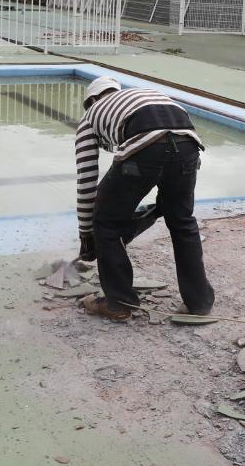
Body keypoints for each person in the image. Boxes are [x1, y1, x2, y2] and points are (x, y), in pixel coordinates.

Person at [74, 76, 214, 322]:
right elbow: (173, 142)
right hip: (189, 146)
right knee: (182, 221)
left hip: (145, 145)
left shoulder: (90, 115)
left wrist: (87, 236)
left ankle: (118, 303)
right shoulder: (143, 95)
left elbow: (87, 181)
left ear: (93, 100)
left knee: (106, 224)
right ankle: (199, 302)